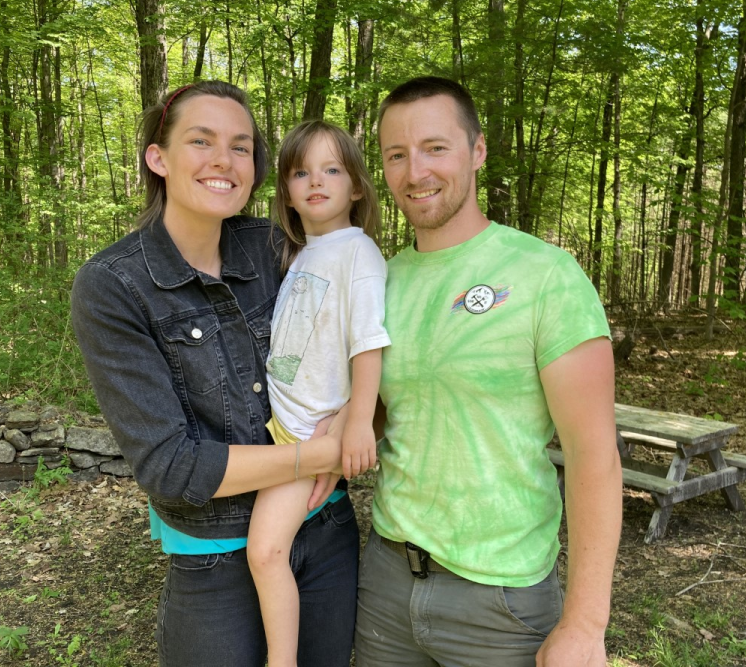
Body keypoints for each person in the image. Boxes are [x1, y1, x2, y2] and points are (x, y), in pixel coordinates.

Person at [70, 81, 358, 667]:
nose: (224, 160)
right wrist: (323, 454)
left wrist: (352, 415)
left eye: (241, 146)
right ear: (158, 157)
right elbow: (172, 467)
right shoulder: (114, 286)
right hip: (216, 555)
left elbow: (360, 339)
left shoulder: (278, 247)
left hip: (325, 532)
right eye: (201, 141)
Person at [354, 76, 622, 667]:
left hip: (503, 601)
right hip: (387, 583)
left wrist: (584, 623)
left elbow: (593, 453)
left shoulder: (545, 275)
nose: (414, 170)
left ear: (477, 152)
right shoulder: (377, 280)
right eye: (396, 155)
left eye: (435, 148)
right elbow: (372, 419)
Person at [246, 120, 390, 667]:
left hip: (306, 434)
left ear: (356, 186)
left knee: (264, 551)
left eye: (332, 169)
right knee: (265, 550)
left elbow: (369, 343)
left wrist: (356, 420)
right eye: (301, 172)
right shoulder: (303, 253)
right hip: (282, 428)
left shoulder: (358, 253)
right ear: (285, 189)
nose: (316, 181)